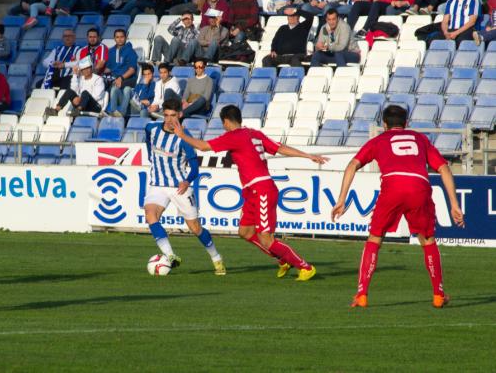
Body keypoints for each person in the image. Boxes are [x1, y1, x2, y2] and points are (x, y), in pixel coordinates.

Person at [331, 105, 465, 309]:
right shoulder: (420, 139)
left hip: (392, 186)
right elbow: (444, 168)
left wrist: (341, 199)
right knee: (427, 240)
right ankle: (438, 295)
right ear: (407, 123)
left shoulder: (378, 140)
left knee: (375, 238)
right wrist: (454, 204)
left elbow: (352, 165)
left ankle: (362, 294)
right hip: (419, 186)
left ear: (384, 125)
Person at [173, 104, 326, 280]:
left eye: (223, 124)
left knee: (266, 238)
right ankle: (283, 260)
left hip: (261, 190)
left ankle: (305, 267)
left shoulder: (234, 136)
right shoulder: (254, 134)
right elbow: (280, 148)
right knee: (245, 232)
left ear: (226, 122)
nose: (223, 127)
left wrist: (183, 135)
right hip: (253, 191)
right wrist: (308, 156)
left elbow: (204, 147)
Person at [144, 99, 226, 275]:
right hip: (157, 184)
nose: (169, 119)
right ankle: (171, 256)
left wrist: (187, 181)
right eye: (166, 115)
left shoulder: (184, 138)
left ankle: (216, 258)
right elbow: (148, 145)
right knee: (150, 214)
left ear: (180, 115)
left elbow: (195, 167)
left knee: (195, 228)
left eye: (173, 115)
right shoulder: (151, 129)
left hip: (179, 187)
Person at [414, 0, 479, 47]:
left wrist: (456, 33)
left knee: (459, 42)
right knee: (431, 40)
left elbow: (472, 22)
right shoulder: (451, 0)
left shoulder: (473, 0)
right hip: (451, 29)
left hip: (465, 30)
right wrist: (445, 32)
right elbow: (445, 20)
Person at [106, 29, 139, 117]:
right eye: (117, 37)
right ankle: (112, 111)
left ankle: (121, 113)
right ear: (114, 38)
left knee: (124, 88)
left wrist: (121, 78)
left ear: (125, 38)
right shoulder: (111, 51)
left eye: (122, 37)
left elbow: (132, 70)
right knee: (113, 88)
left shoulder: (130, 51)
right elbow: (109, 68)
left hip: (128, 80)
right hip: (115, 79)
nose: (119, 39)